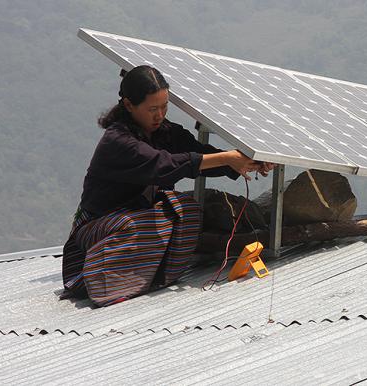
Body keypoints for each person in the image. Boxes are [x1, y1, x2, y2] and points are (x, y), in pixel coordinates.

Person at [62, 65, 273, 306]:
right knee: (138, 225)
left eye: (164, 107)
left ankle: (153, 277)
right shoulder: (118, 142)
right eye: (152, 109)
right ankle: (106, 283)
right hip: (100, 229)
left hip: (138, 217)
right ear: (129, 105)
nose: (159, 115)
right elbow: (164, 165)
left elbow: (199, 155)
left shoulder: (164, 132)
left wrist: (247, 162)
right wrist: (227, 158)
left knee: (186, 209)